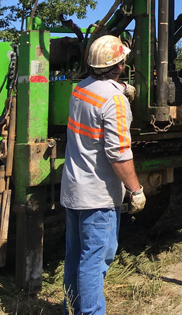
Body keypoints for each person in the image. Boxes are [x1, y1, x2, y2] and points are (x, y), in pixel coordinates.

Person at [61, 35, 146, 315]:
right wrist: (135, 190)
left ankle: (71, 309)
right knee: (96, 261)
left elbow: (99, 96)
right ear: (120, 65)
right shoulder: (115, 102)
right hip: (98, 197)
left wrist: (120, 88)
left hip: (74, 190)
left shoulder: (80, 90)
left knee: (76, 256)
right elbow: (118, 154)